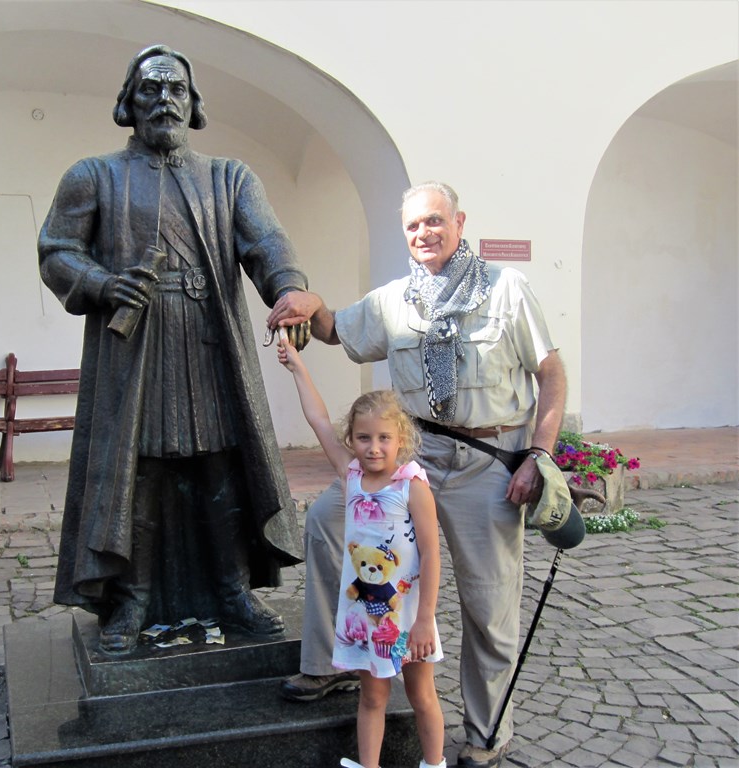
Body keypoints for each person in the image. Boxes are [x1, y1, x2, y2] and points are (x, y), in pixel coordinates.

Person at [267, 181, 567, 768]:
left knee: (488, 603)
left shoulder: (508, 289)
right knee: (329, 518)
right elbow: (333, 328)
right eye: (412, 226)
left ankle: (486, 734)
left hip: (488, 462)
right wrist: (309, 300)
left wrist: (540, 453)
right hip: (414, 456)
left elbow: (551, 375)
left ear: (459, 221)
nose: (424, 234)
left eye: (434, 221)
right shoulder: (393, 300)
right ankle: (336, 662)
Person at [39, 44, 311, 655]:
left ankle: (232, 589)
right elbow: (57, 251)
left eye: (176, 91)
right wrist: (103, 283)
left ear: (194, 105)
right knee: (141, 472)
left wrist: (289, 290)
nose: (165, 100)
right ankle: (130, 599)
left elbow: (266, 242)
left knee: (218, 465)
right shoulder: (94, 176)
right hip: (135, 351)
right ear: (128, 104)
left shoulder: (229, 177)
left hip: (210, 343)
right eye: (151, 90)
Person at [277, 330, 447, 768]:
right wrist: (298, 367)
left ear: (400, 440)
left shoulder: (411, 485)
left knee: (421, 694)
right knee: (372, 695)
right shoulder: (350, 476)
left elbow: (431, 554)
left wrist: (426, 620)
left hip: (407, 613)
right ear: (351, 439)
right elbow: (317, 419)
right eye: (364, 438)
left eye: (384, 439)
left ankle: (434, 764)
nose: (374, 448)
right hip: (365, 614)